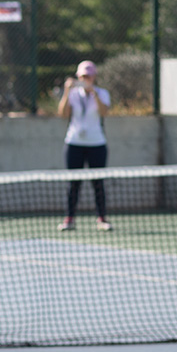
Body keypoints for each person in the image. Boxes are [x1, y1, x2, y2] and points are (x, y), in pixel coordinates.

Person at [57, 60, 112, 232]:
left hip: (97, 143)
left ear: (94, 77)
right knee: (73, 183)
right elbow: (62, 114)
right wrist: (66, 91)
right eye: (82, 76)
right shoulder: (73, 94)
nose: (85, 79)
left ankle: (102, 218)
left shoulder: (102, 93)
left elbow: (104, 112)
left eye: (88, 76)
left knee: (98, 183)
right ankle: (69, 219)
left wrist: (94, 93)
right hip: (74, 143)